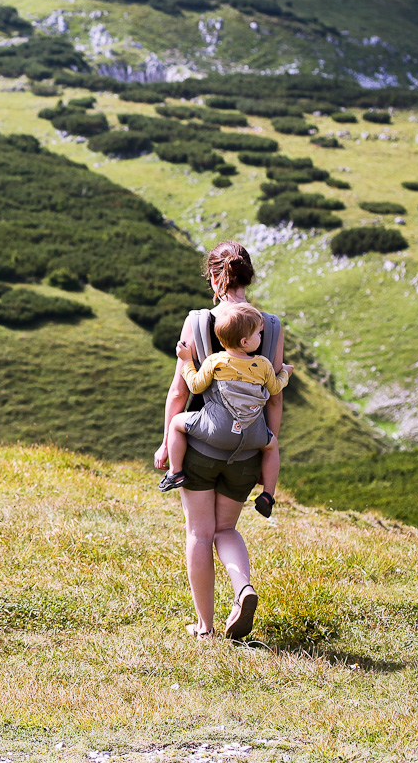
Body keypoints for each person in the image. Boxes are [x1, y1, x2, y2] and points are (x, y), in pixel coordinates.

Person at [154, 240, 286, 642]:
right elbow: (275, 396)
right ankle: (242, 588)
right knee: (226, 530)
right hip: (249, 450)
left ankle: (206, 627)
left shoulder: (197, 322)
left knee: (199, 533)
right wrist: (269, 442)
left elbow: (180, 392)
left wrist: (166, 442)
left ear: (215, 277)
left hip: (203, 448)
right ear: (248, 277)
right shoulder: (271, 326)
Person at [158, 300, 292, 519]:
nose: (261, 338)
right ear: (245, 341)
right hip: (252, 433)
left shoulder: (215, 361)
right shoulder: (264, 365)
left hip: (215, 431)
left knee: (176, 424)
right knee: (272, 445)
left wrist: (187, 361)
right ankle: (268, 493)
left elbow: (194, 386)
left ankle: (175, 471)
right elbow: (275, 390)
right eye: (259, 334)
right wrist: (285, 372)